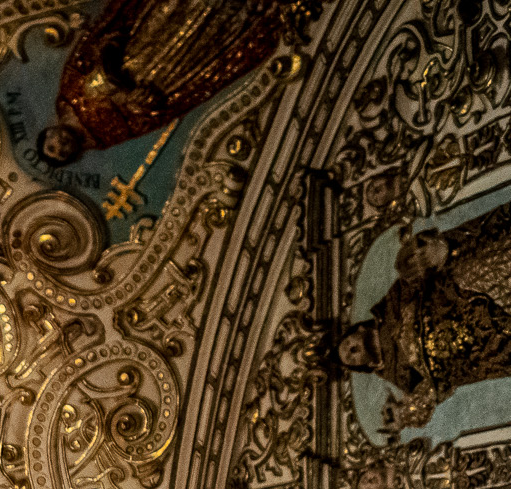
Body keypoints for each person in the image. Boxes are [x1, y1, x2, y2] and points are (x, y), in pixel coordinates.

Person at [35, 0, 299, 165]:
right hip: (167, 74)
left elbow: (87, 51)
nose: (61, 146)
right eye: (62, 153)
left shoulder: (68, 94)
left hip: (139, 44)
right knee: (207, 36)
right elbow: (154, 115)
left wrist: (104, 54)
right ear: (74, 154)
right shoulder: (108, 135)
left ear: (48, 133)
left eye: (52, 146)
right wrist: (138, 102)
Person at [338, 203, 511, 435]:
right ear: (366, 366)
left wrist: (425, 252)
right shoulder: (401, 378)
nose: (353, 349)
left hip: (470, 287)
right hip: (482, 348)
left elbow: (420, 267)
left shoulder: (393, 301)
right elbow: (427, 399)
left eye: (348, 344)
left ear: (358, 329)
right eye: (352, 356)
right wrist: (403, 415)